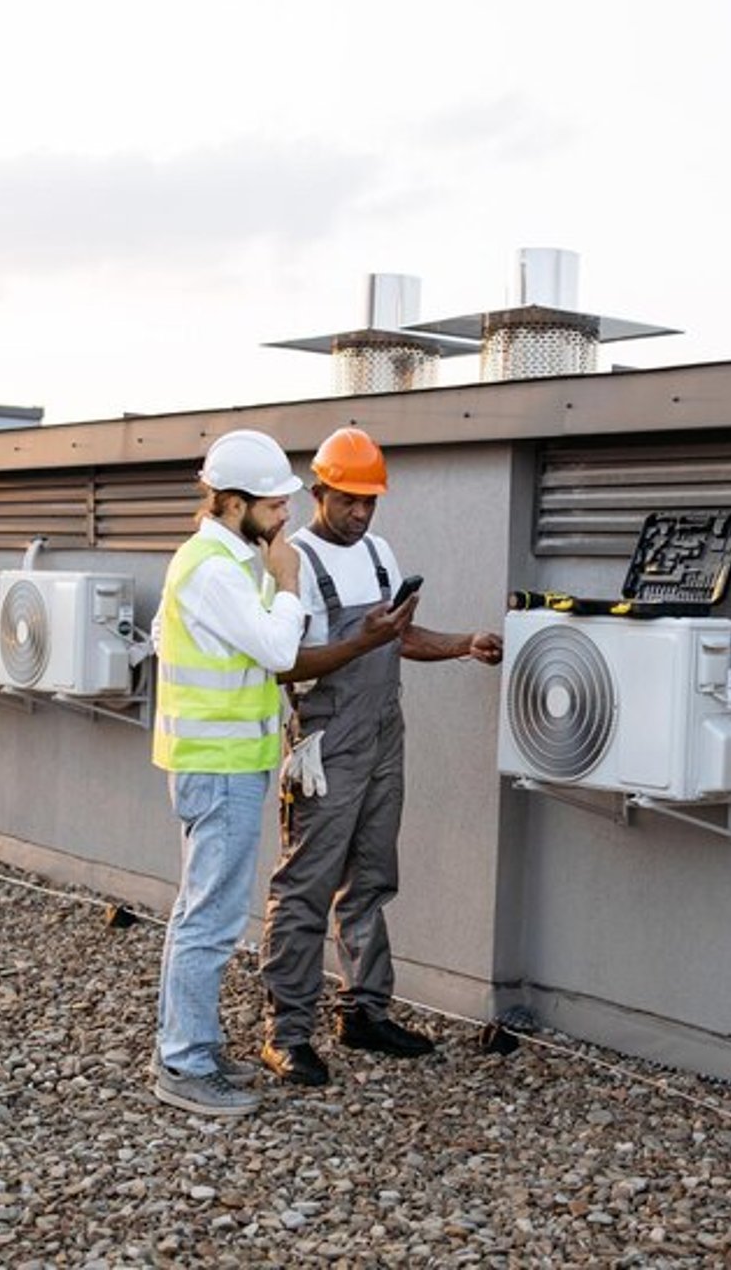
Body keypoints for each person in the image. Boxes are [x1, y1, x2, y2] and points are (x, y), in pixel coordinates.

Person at [259, 427, 505, 1088]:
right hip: (326, 735)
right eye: (349, 501)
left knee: (370, 875)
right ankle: (285, 1032)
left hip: (383, 732)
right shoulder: (292, 561)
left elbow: (397, 639)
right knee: (307, 880)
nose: (361, 514)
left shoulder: (378, 554)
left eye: (371, 502)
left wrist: (463, 644)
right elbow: (278, 662)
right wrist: (362, 641)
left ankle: (364, 1011)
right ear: (319, 492)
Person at [147, 428, 312, 1117]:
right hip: (219, 768)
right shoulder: (219, 568)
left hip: (219, 762)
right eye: (275, 506)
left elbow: (163, 635)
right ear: (236, 501)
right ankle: (183, 1063)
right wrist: (288, 584)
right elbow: (278, 647)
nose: (285, 518)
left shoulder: (215, 561)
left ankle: (195, 1044)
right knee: (210, 916)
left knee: (202, 909)